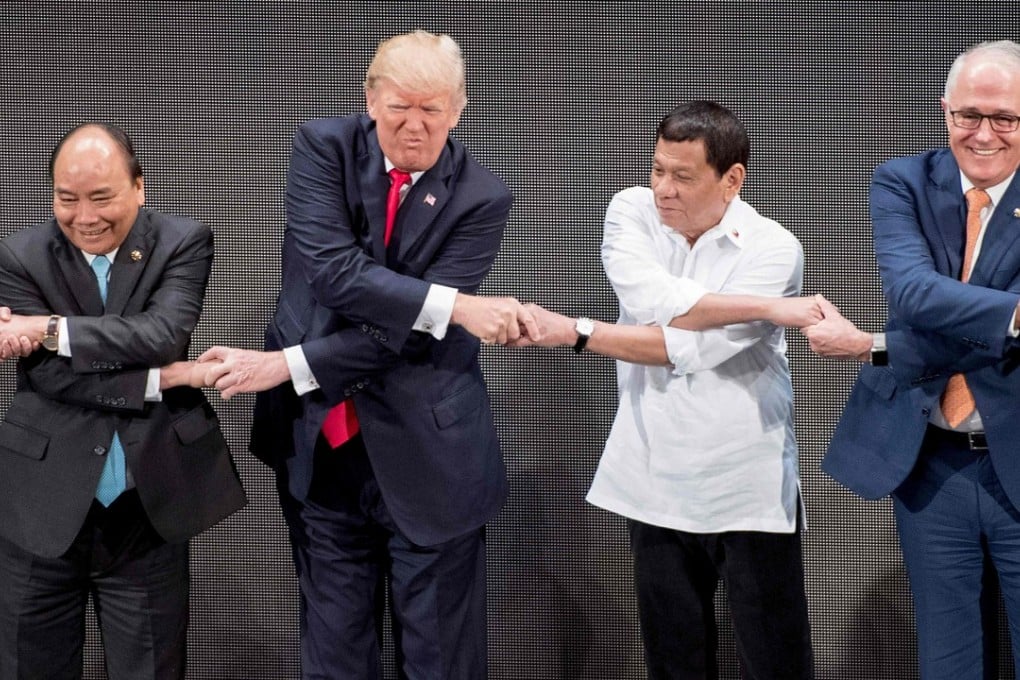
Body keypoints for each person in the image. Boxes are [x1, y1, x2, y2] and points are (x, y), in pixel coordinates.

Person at [198, 31, 538, 679]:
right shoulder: (322, 148)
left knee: (439, 662)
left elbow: (407, 334)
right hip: (319, 450)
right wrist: (455, 306)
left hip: (431, 461)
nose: (414, 125)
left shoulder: (481, 198)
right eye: (400, 106)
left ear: (459, 110)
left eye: (432, 109)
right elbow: (332, 273)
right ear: (369, 99)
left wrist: (290, 366)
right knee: (333, 658)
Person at [514, 101, 817, 679]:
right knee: (672, 661)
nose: (663, 189)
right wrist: (767, 308)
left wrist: (577, 331)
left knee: (774, 660)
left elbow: (687, 349)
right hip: (652, 481)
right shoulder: (631, 210)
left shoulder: (774, 248)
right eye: (657, 169)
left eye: (682, 176)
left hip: (744, 486)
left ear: (732, 180)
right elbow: (652, 300)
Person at [805, 40, 1020, 677]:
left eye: (1005, 118)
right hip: (930, 463)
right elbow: (913, 292)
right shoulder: (902, 180)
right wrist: (1011, 315)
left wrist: (873, 346)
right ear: (944, 111)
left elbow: (932, 309)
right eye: (968, 115)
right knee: (945, 661)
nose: (983, 134)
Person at [0, 122, 245, 679]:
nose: (84, 217)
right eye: (67, 199)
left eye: (102, 198)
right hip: (40, 507)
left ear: (139, 187)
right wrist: (169, 379)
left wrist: (52, 331)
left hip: (146, 507)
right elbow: (50, 380)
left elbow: (161, 334)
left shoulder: (183, 241)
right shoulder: (19, 256)